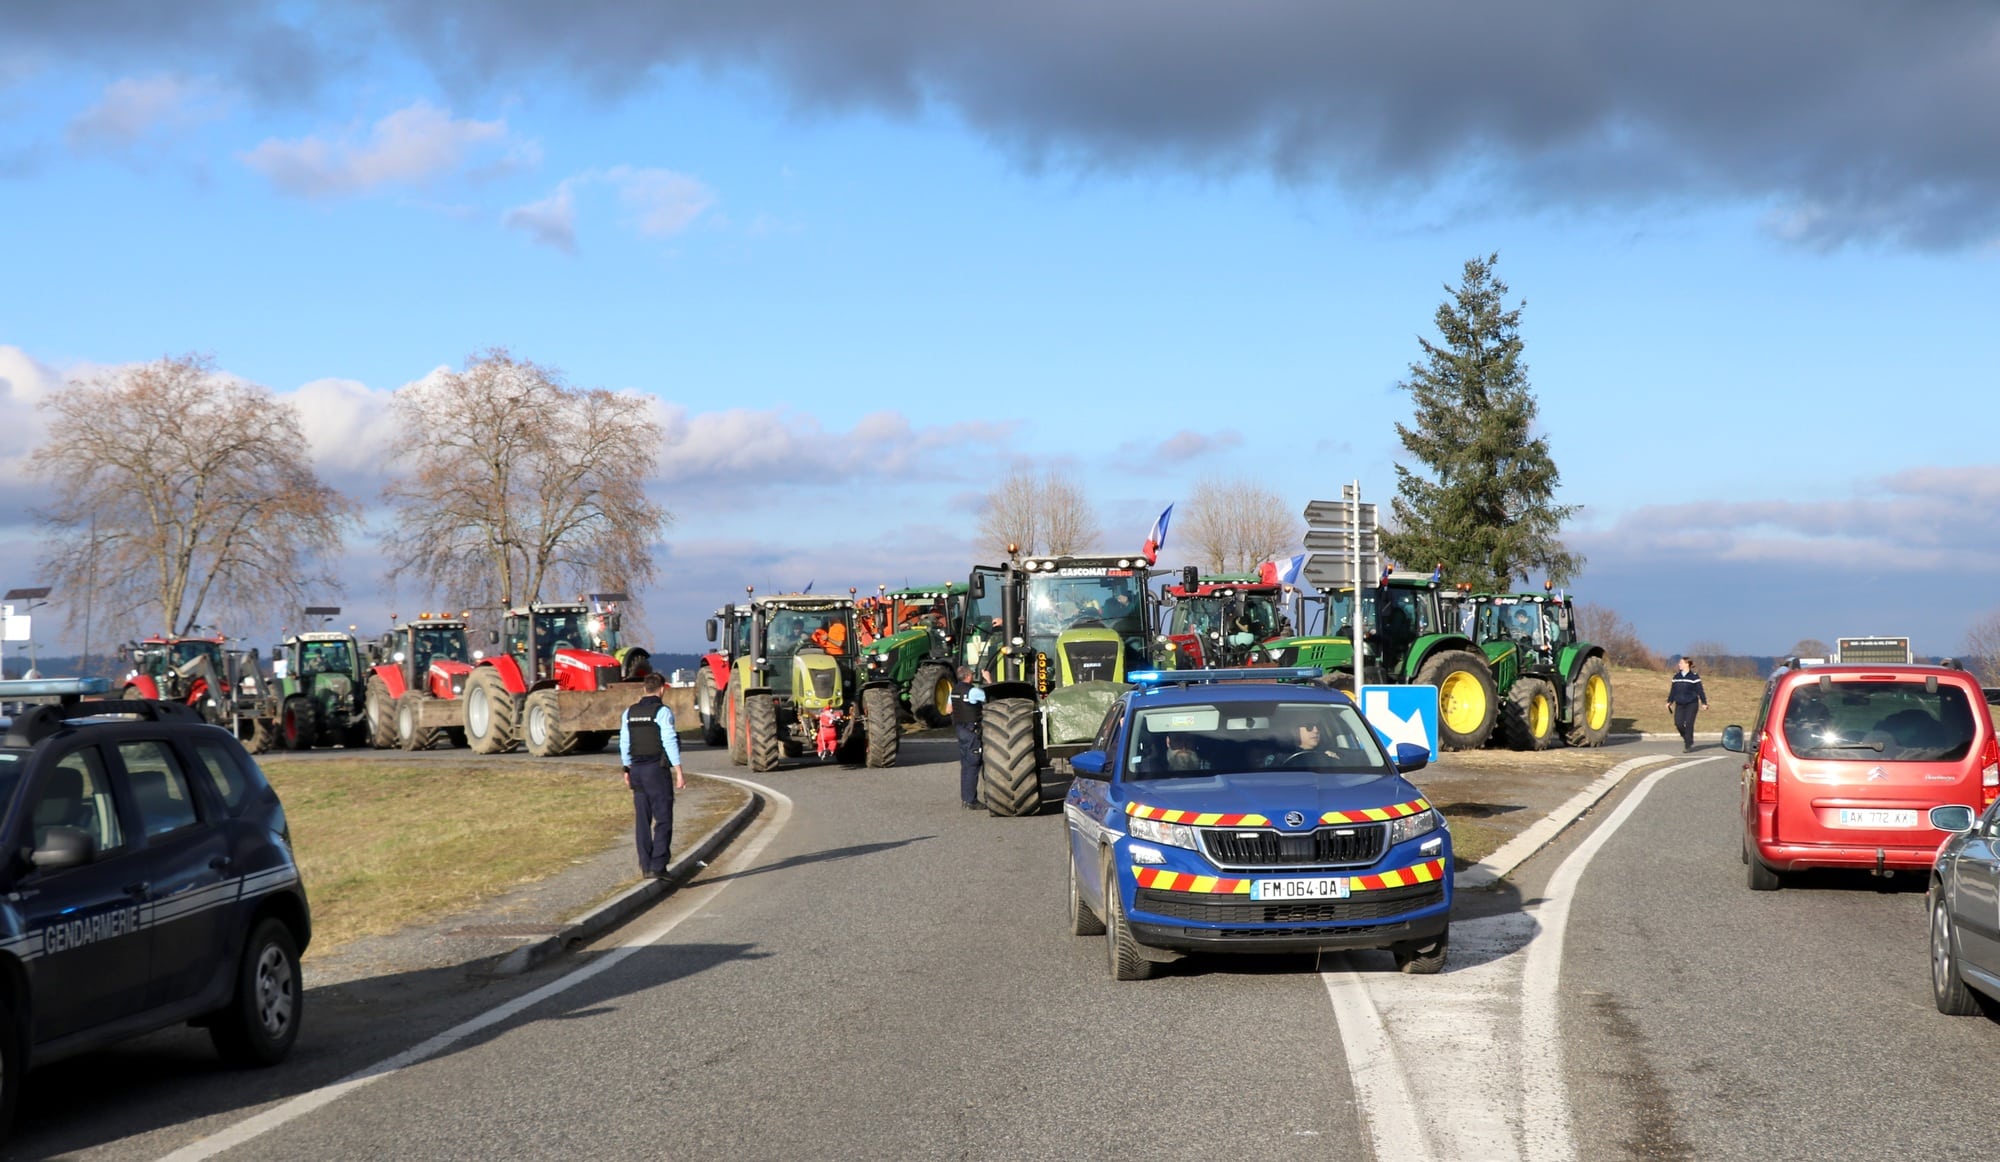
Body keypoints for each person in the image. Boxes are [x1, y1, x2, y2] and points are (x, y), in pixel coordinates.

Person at [620, 672, 686, 878]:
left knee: (642, 820)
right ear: (662, 689)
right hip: (656, 770)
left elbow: (624, 742)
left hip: (637, 770)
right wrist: (679, 771)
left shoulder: (629, 712)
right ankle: (658, 865)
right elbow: (669, 740)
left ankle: (646, 865)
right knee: (664, 818)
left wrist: (626, 768)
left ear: (644, 689)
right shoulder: (662, 712)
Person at [950, 665, 986, 810]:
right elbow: (991, 698)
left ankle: (966, 799)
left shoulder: (954, 691)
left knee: (965, 765)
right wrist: (988, 680)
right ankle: (971, 800)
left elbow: (948, 709)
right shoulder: (973, 691)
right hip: (972, 730)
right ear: (969, 676)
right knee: (973, 764)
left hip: (960, 729)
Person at [1667, 655, 1708, 752]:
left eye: (1681, 663)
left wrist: (1704, 703)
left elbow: (1700, 690)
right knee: (1678, 723)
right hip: (1680, 703)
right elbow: (1673, 690)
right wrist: (1669, 701)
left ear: (1687, 664)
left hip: (1691, 703)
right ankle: (1687, 738)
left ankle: (1688, 744)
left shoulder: (1694, 677)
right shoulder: (1676, 677)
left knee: (1689, 723)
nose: (1679, 664)